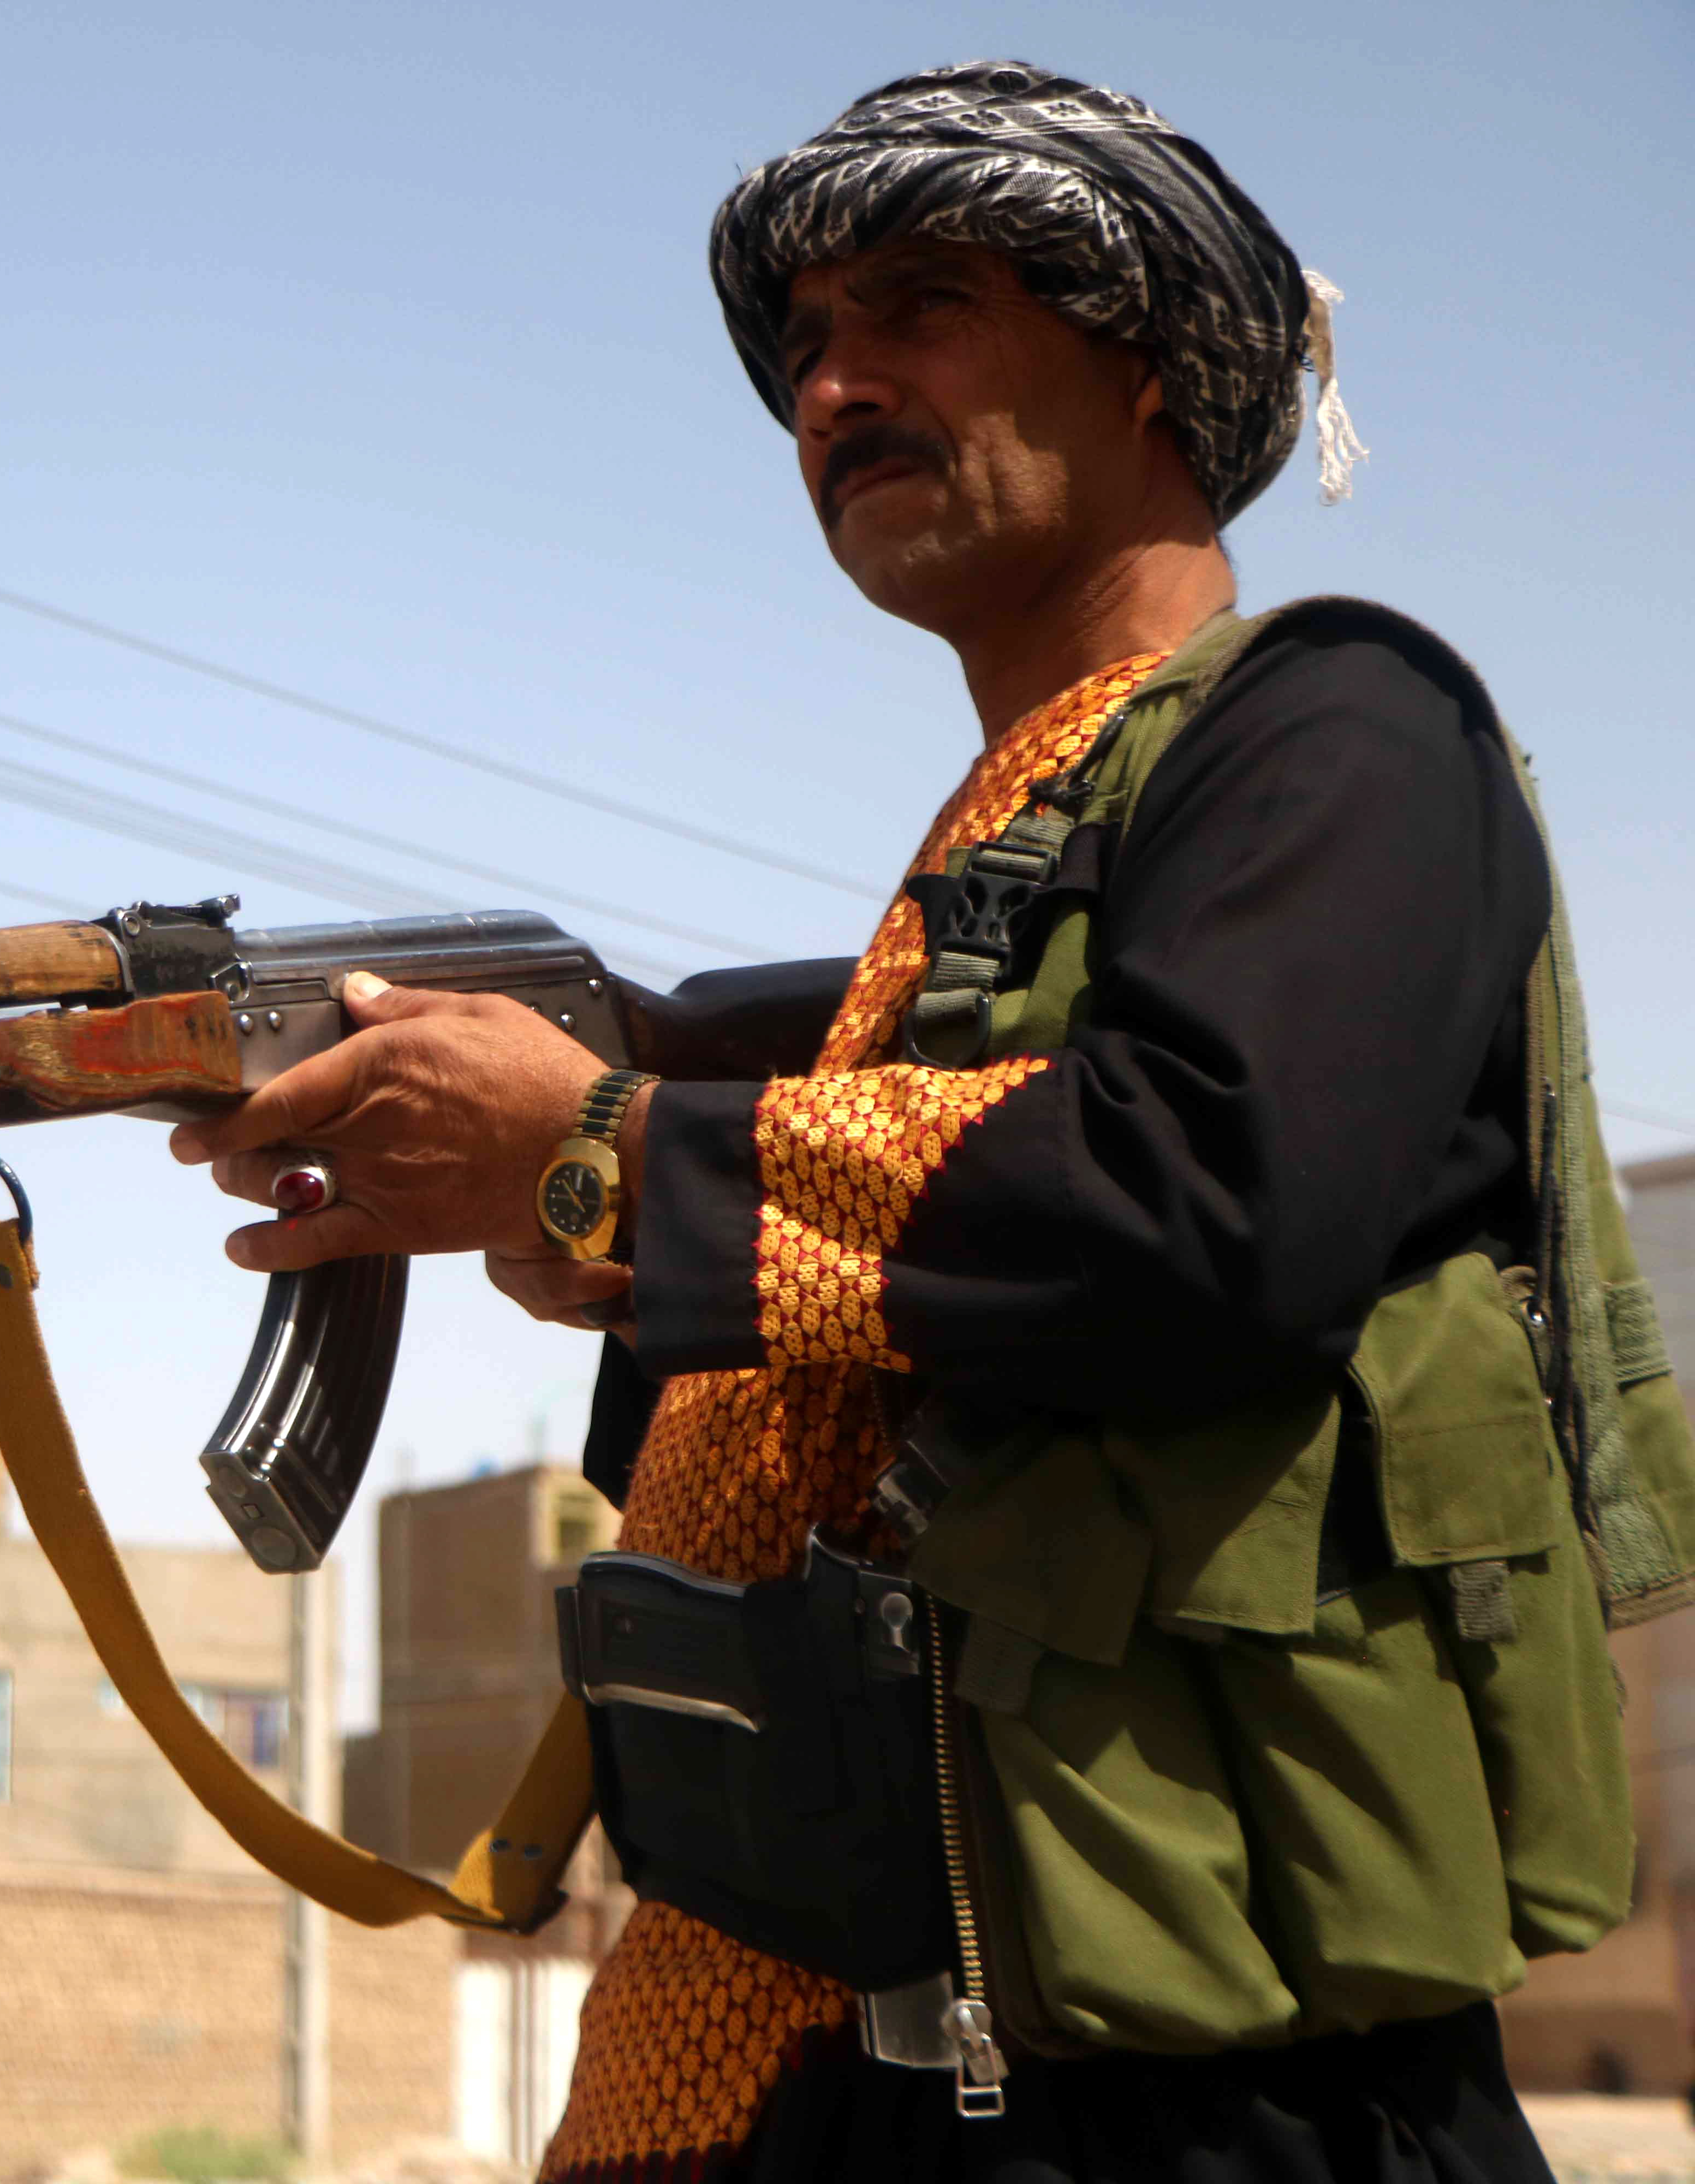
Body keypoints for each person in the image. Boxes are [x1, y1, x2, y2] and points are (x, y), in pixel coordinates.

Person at [175, 60, 1692, 2184]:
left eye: (921, 304)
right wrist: (561, 1198)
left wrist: (597, 1152)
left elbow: (1202, 1200)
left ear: (1151, 356)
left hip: (1198, 2109)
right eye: (802, 346)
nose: (831, 387)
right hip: (846, 2066)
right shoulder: (955, 925)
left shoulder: (1346, 725)